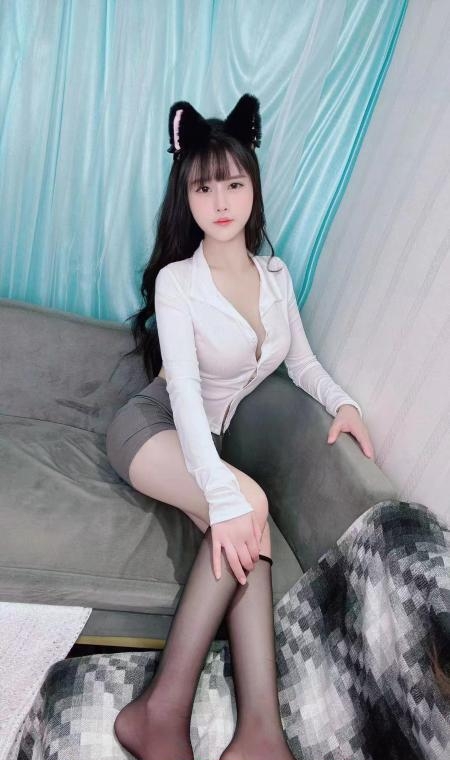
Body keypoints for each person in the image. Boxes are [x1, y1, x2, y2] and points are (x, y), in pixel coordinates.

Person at [106, 93, 375, 760]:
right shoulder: (178, 282)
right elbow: (184, 395)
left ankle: (258, 733)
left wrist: (344, 404)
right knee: (248, 504)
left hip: (202, 445)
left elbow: (302, 361)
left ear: (253, 186)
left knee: (243, 531)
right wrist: (225, 492)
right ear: (186, 197)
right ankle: (162, 713)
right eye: (203, 187)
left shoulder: (277, 278)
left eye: (233, 183)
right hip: (152, 429)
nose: (220, 201)